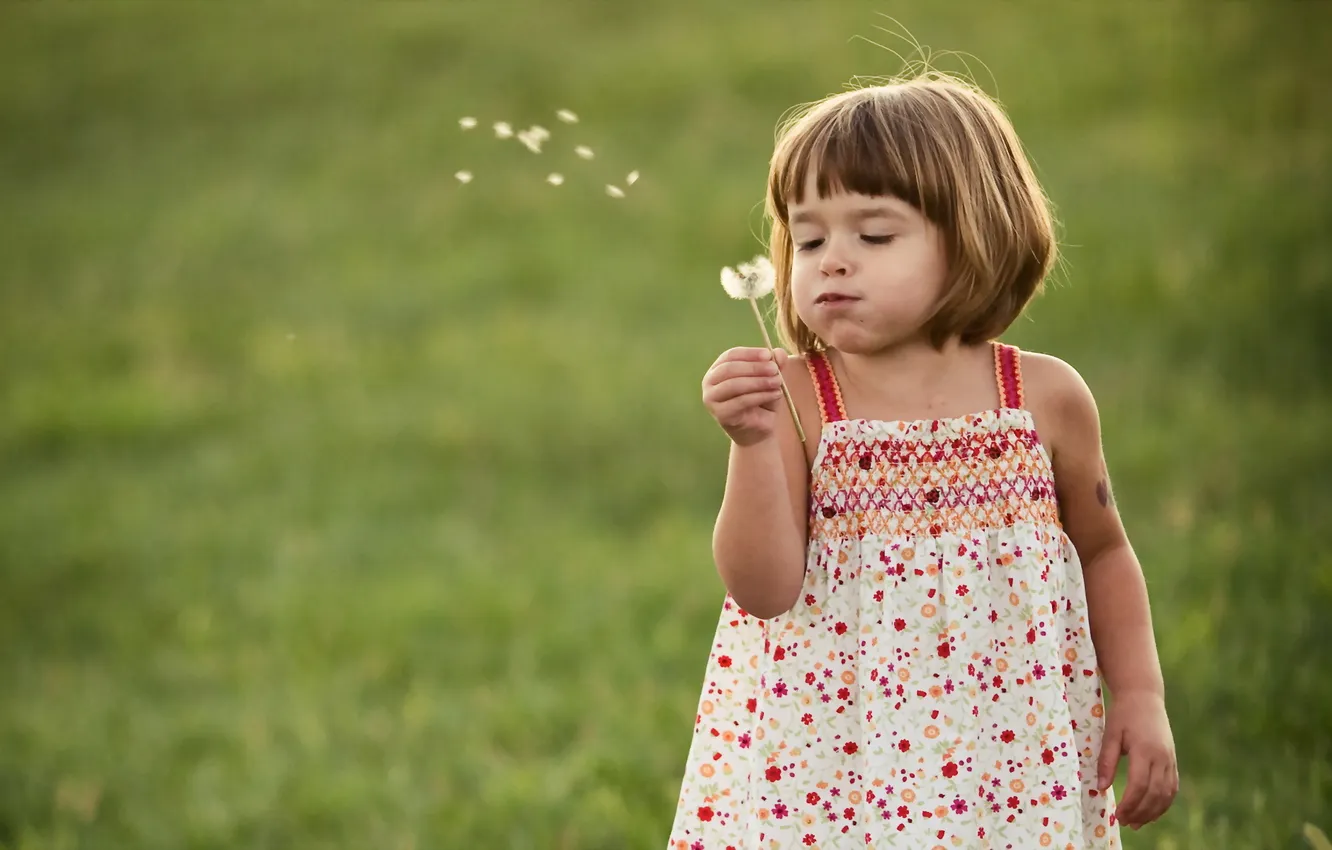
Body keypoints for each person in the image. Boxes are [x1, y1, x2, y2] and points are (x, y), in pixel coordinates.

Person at [669, 74, 1177, 849]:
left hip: (1007, 756)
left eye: (873, 236)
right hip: (833, 769)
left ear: (975, 234)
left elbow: (1105, 550)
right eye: (808, 241)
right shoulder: (798, 399)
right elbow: (763, 590)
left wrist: (1139, 694)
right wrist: (748, 445)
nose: (832, 262)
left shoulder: (1043, 398)